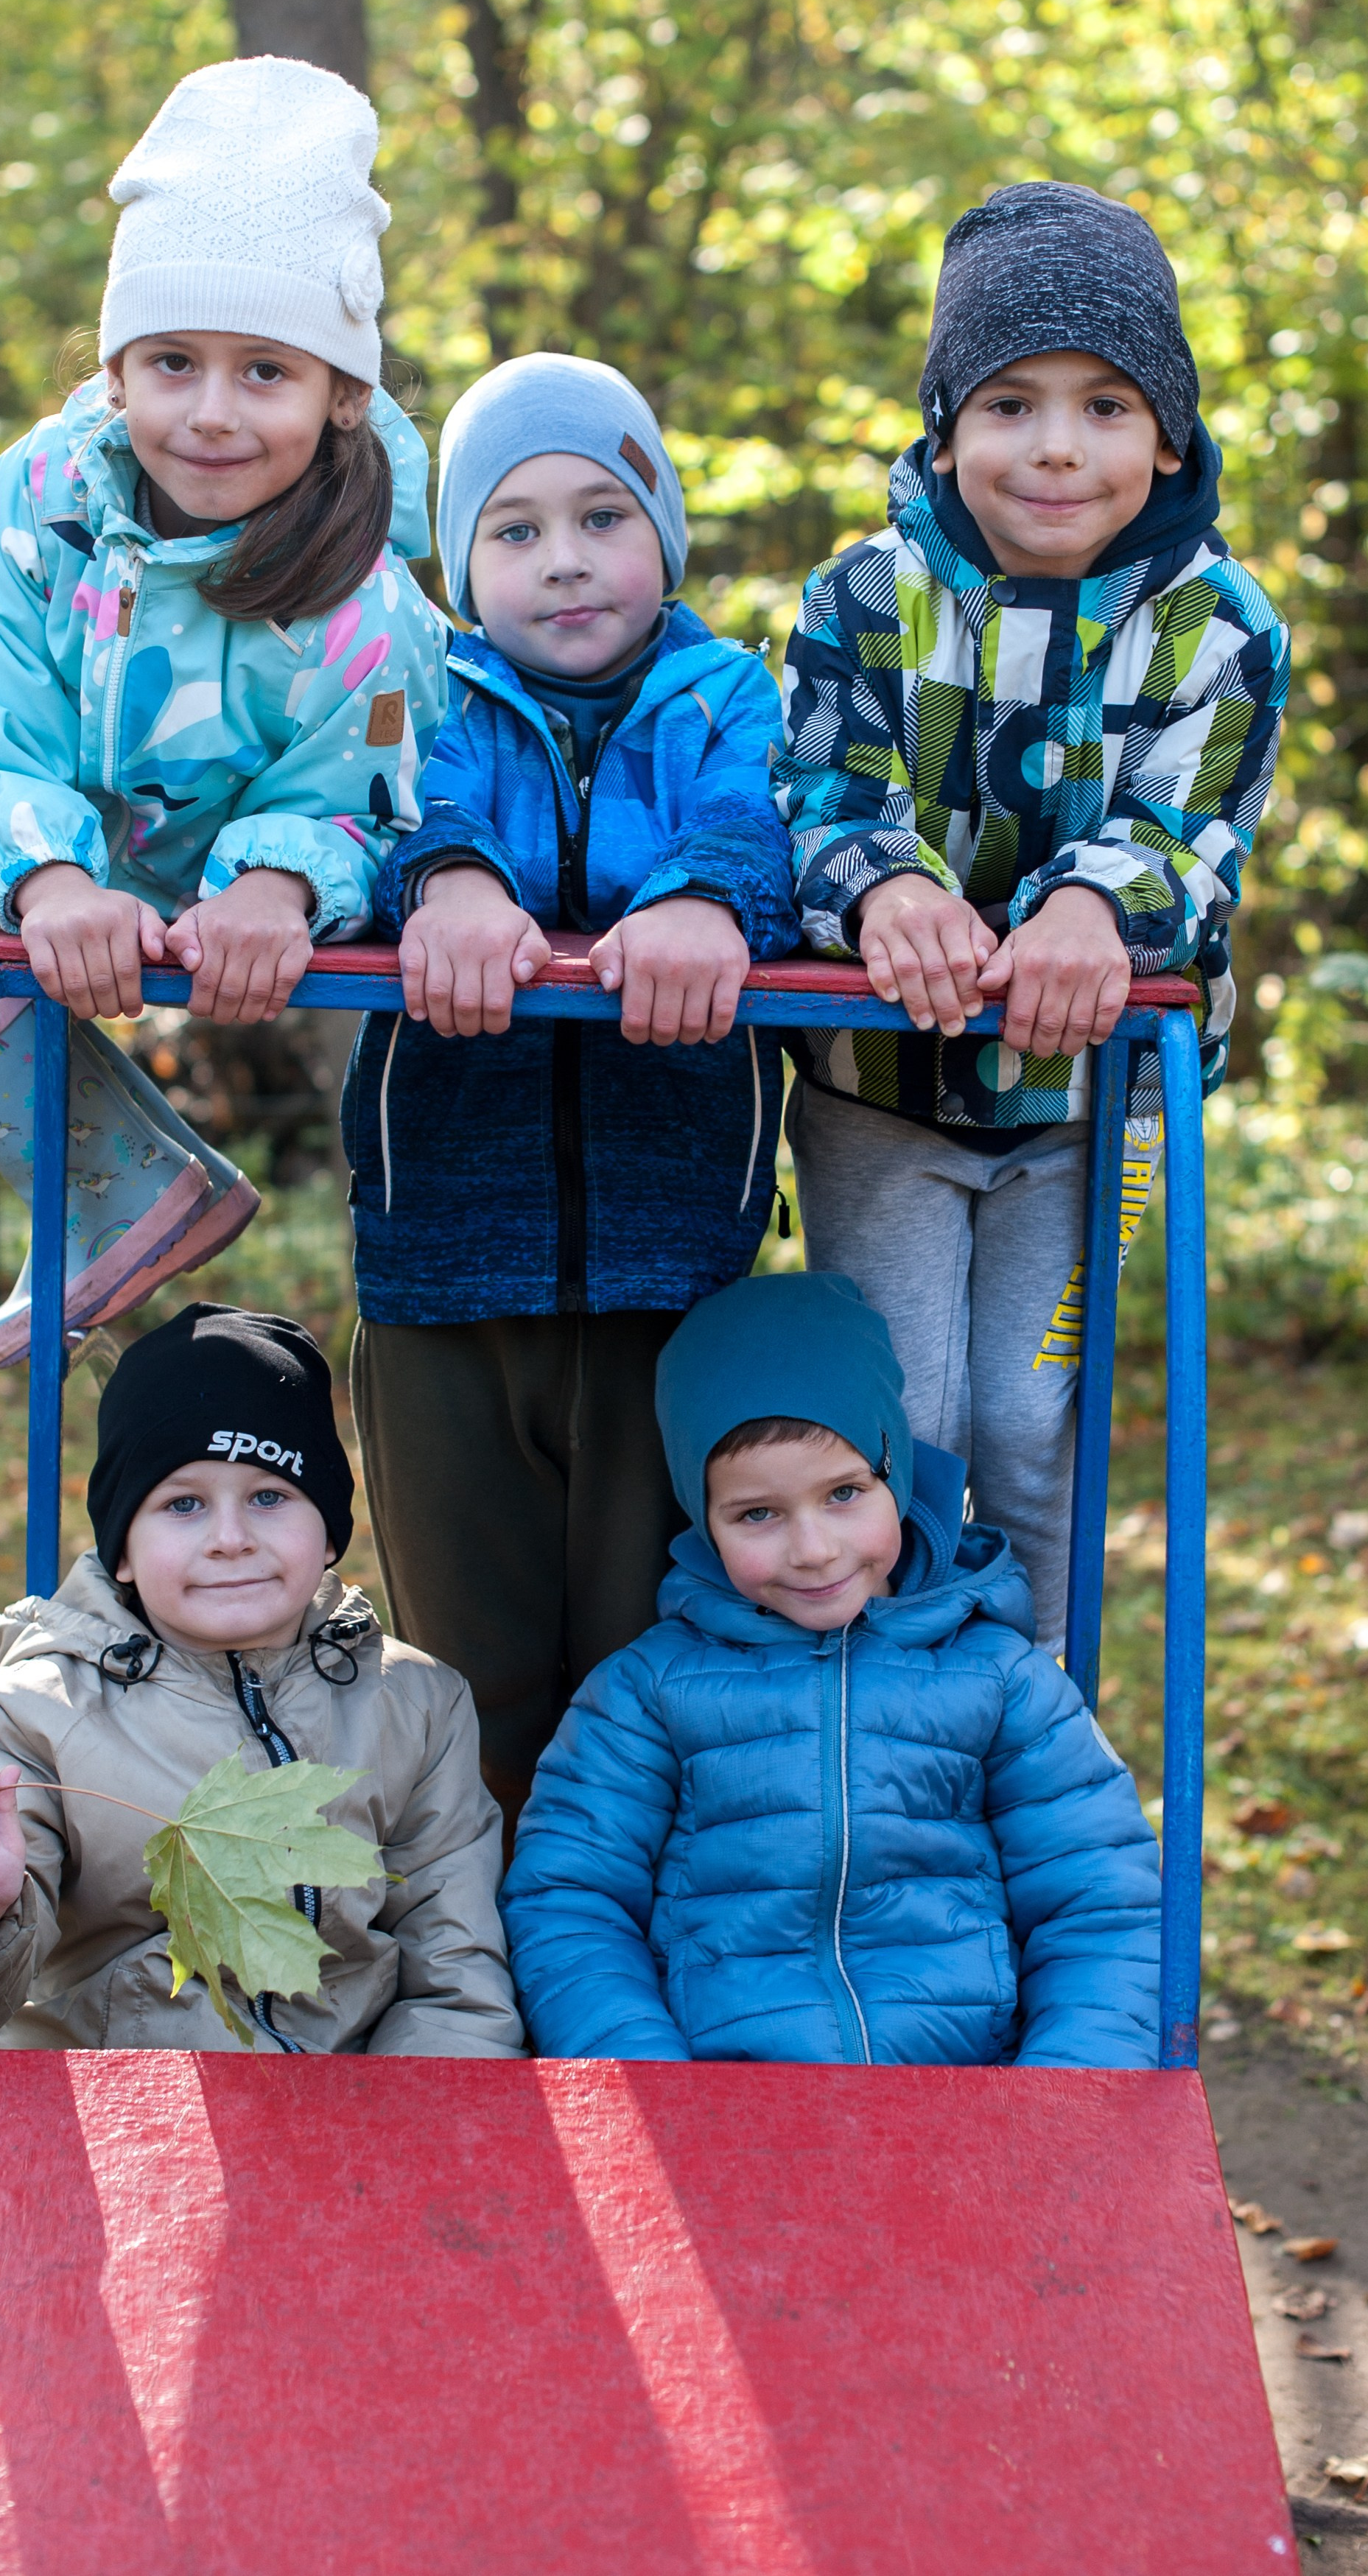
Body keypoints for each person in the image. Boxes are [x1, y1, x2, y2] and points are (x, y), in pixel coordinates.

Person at [0, 56, 446, 1364]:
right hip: (72, 870)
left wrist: (276, 885)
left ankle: (435, 1290)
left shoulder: (370, 595)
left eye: (265, 373)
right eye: (173, 362)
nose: (211, 413)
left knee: (461, 945)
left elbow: (367, 782)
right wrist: (49, 880)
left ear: (344, 393)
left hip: (258, 908)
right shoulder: (44, 500)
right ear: (119, 367)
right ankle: (116, 1178)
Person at [776, 182, 1288, 1648]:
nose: (1053, 445)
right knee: (909, 1419)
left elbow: (1187, 833)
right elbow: (817, 793)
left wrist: (1086, 908)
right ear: (944, 430)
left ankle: (1038, 1734)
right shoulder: (860, 598)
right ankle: (887, 1728)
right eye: (1006, 403)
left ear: (1165, 435)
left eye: (1103, 405)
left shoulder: (1216, 625)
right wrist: (881, 883)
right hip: (883, 1092)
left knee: (1028, 1418)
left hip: (1085, 1113)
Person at [340, 354, 798, 1823]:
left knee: (644, 1655)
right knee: (465, 1674)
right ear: (459, 566)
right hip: (442, 1263)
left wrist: (696, 901)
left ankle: (629, 1982)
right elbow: (396, 799)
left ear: (661, 529)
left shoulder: (722, 689)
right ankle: (474, 1994)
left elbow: (756, 822)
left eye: (601, 515)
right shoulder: (421, 682)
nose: (563, 560)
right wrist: (455, 882)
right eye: (514, 529)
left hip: (670, 1266)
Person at [498, 1271, 1160, 2066]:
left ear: (897, 1474)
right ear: (701, 1520)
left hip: (967, 2097)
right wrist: (651, 2082)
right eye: (757, 1513)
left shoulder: (999, 1680)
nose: (812, 1549)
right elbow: (569, 1899)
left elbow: (1101, 1904)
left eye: (844, 1492)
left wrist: (1060, 2094)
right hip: (727, 2106)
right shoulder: (646, 1693)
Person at [0, 1303, 523, 2055]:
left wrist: (415, 2145)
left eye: (270, 1496)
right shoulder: (28, 1716)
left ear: (330, 1529)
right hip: (125, 2126)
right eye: (183, 1503)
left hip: (356, 2126)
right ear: (122, 1550)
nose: (232, 1538)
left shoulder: (418, 1705)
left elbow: (455, 1977)